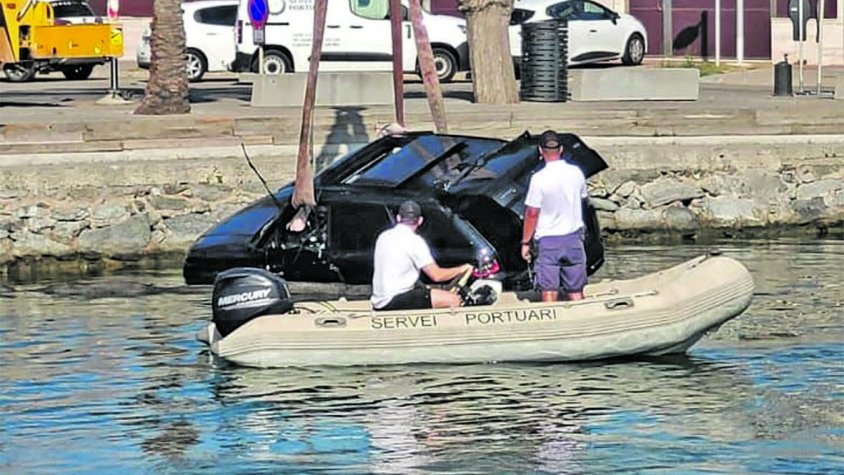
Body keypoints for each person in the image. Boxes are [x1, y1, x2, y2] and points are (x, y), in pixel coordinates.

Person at [521, 130, 588, 302]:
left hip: (549, 241)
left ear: (540, 151)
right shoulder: (576, 172)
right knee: (576, 290)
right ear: (561, 149)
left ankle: (551, 325)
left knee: (549, 290)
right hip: (574, 238)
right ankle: (581, 320)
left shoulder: (539, 178)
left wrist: (525, 242)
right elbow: (583, 200)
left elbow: (532, 213)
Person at [371, 200, 474, 311]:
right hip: (394, 299)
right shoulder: (414, 241)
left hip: (380, 300)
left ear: (398, 218)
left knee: (430, 293)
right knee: (453, 300)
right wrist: (463, 269)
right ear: (420, 221)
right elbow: (437, 275)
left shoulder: (384, 236)